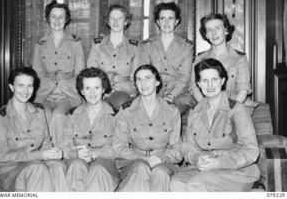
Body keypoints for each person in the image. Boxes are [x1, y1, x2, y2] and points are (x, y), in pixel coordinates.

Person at [170, 58, 260, 192]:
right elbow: (188, 145)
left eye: (214, 79)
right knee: (176, 182)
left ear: (222, 81)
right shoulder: (195, 112)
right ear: (199, 84)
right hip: (204, 169)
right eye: (205, 80)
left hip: (237, 172)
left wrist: (219, 163)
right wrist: (196, 158)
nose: (210, 85)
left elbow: (251, 150)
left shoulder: (236, 109)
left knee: (196, 184)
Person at [0, 67, 69, 192]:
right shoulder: (1, 117)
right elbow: (1, 156)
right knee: (37, 168)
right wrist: (40, 155)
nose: (25, 91)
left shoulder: (39, 112)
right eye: (20, 85)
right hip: (9, 170)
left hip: (35, 162)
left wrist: (53, 153)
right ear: (11, 87)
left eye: (29, 86)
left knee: (57, 166)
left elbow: (46, 143)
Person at [113, 64, 182, 192]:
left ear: (157, 82)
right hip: (134, 161)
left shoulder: (172, 111)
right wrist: (143, 159)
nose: (143, 83)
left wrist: (161, 159)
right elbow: (118, 147)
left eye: (147, 78)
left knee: (160, 172)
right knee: (141, 167)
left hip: (163, 161)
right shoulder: (126, 110)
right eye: (139, 79)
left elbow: (177, 148)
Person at [32, 0, 85, 146]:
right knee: (45, 114)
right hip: (45, 93)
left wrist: (79, 92)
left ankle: (59, 152)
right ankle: (46, 150)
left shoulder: (75, 42)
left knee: (58, 115)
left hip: (68, 93)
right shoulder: (40, 44)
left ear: (66, 19)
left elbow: (80, 72)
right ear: (48, 18)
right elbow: (37, 72)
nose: (57, 20)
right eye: (53, 16)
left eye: (61, 17)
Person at [60, 67, 119, 191]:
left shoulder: (116, 115)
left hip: (104, 164)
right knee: (76, 165)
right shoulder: (72, 115)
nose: (92, 93)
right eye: (88, 88)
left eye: (96, 88)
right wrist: (76, 153)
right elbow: (64, 145)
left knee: (98, 169)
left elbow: (119, 148)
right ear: (82, 91)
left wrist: (95, 153)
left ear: (103, 89)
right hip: (77, 163)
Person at [141, 2, 194, 116]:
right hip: (153, 92)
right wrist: (153, 96)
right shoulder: (147, 45)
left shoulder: (186, 46)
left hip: (179, 95)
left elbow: (184, 76)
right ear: (157, 22)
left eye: (170, 18)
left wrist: (171, 95)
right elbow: (145, 74)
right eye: (162, 18)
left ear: (176, 21)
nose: (166, 22)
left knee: (169, 113)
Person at [191, 13, 254, 106]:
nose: (214, 33)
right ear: (206, 35)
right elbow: (194, 87)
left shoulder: (239, 58)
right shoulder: (200, 59)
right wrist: (207, 107)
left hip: (234, 106)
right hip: (207, 106)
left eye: (217, 28)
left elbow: (243, 92)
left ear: (226, 30)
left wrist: (228, 110)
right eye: (209, 30)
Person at [87, 4, 141, 112]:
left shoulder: (134, 47)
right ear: (108, 21)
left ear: (125, 22)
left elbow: (137, 76)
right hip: (100, 91)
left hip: (124, 92)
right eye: (112, 18)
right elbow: (91, 72)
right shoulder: (98, 44)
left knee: (121, 106)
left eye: (120, 18)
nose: (116, 22)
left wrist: (133, 94)